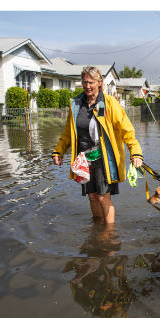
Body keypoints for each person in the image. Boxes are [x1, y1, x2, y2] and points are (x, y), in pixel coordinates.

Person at [52, 66, 143, 224]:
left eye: (91, 82)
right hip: (84, 159)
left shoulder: (109, 103)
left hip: (103, 158)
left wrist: (135, 153)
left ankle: (109, 235)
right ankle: (97, 227)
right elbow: (68, 133)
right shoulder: (76, 104)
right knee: (92, 197)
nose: (87, 86)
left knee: (103, 197)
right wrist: (58, 152)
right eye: (84, 82)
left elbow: (127, 130)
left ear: (100, 83)